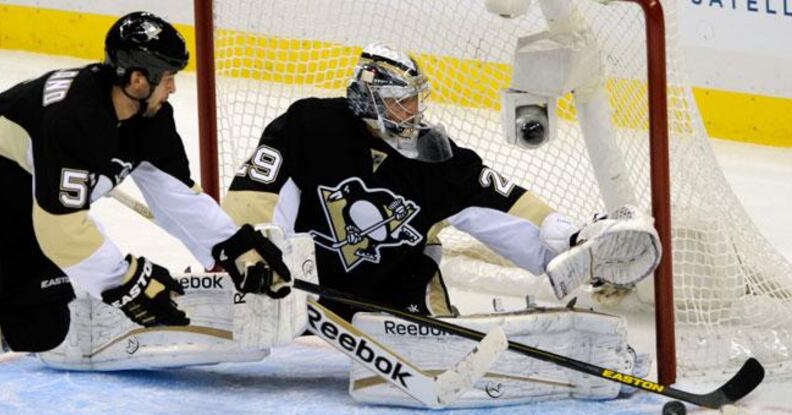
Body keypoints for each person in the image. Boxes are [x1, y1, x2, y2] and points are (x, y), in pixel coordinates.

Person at [223, 43, 661, 322]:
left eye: (415, 100)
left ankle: (574, 252)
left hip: (397, 299)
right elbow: (257, 195)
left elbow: (497, 204)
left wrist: (568, 236)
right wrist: (248, 258)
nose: (413, 111)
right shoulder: (312, 125)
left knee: (516, 249)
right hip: (307, 294)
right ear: (369, 96)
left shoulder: (434, 152)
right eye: (401, 102)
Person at [0, 12, 290, 357]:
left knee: (40, 326)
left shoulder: (152, 120)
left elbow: (178, 196)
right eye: (168, 78)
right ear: (137, 80)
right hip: (1, 176)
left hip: (26, 187)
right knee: (26, 311)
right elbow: (61, 229)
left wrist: (231, 243)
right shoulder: (76, 119)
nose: (173, 88)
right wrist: (121, 282)